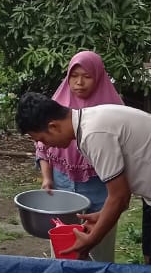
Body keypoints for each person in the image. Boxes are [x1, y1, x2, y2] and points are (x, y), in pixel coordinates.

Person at [16, 94, 151, 267]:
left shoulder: (94, 134)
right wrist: (103, 215)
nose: (45, 146)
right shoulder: (88, 121)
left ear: (53, 126)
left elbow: (119, 198)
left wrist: (90, 241)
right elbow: (119, 195)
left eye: (41, 139)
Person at [35, 51, 124, 259]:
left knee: (99, 242)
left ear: (99, 77)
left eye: (87, 76)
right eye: (74, 77)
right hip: (62, 182)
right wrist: (47, 178)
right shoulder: (56, 105)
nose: (79, 83)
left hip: (100, 185)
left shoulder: (113, 109)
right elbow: (42, 145)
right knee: (63, 241)